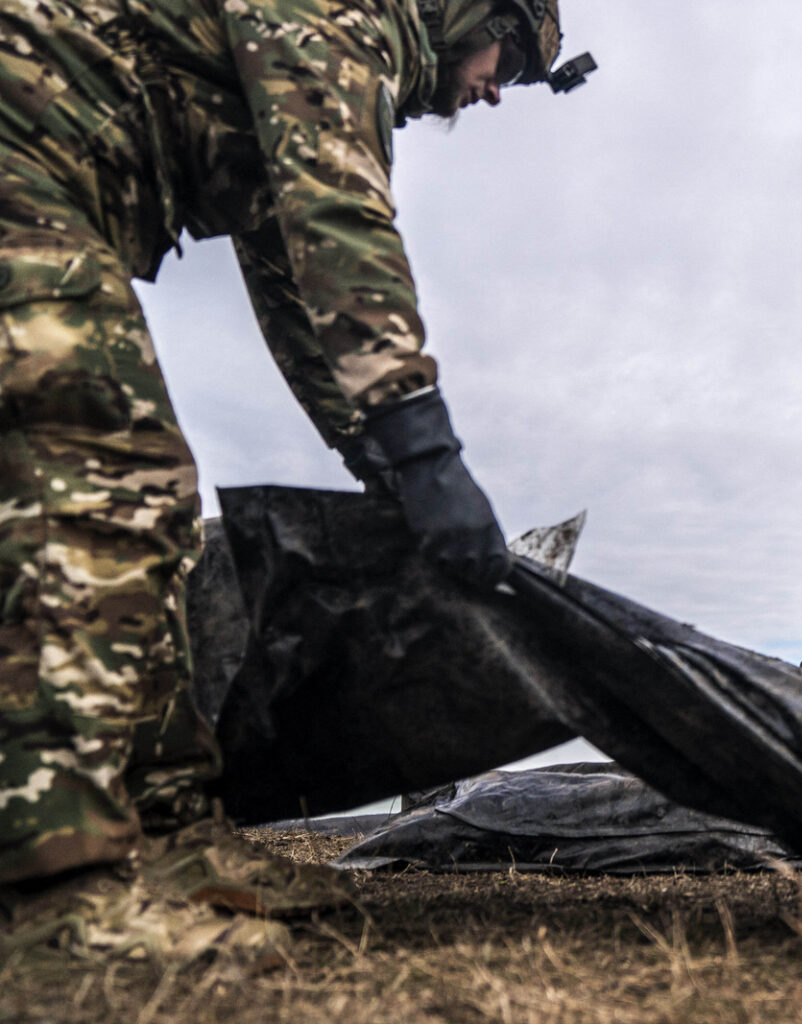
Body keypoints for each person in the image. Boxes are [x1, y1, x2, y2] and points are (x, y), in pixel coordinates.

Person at [0, 0, 592, 957]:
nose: (494, 91)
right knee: (108, 484)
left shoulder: (326, 75)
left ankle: (170, 837)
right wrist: (423, 447)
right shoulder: (348, 19)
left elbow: (293, 278)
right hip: (24, 148)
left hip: (49, 171)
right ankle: (59, 886)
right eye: (509, 60)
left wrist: (378, 463)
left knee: (147, 526)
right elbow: (338, 215)